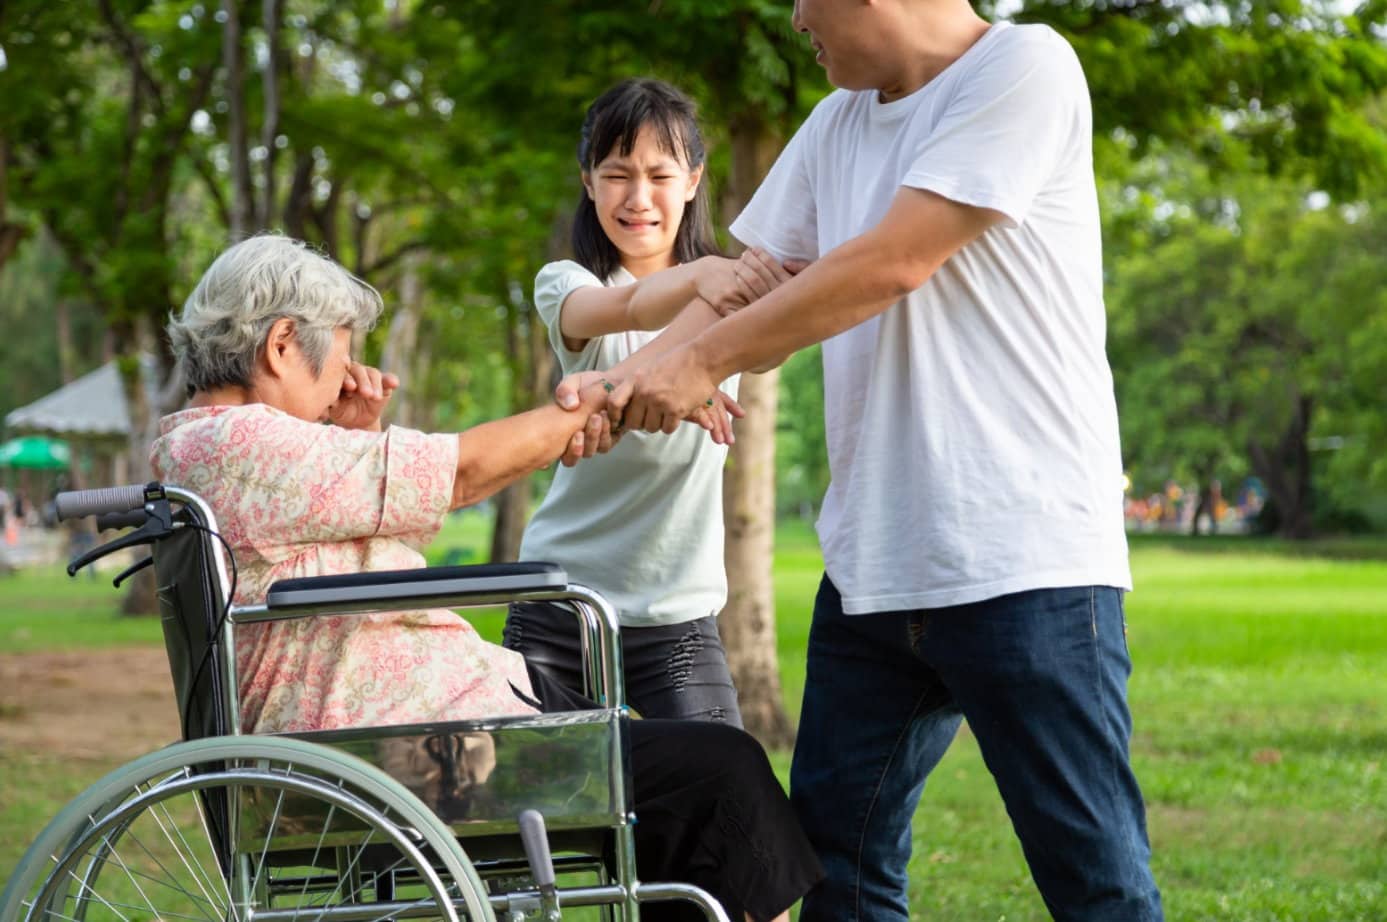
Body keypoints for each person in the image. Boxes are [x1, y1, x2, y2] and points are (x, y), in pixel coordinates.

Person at [600, 1, 1163, 920]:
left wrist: (699, 364)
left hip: (1024, 565)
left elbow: (889, 263)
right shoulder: (836, 122)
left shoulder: (1023, 68)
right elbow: (754, 288)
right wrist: (620, 386)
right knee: (836, 872)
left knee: (1091, 875)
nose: (792, 19)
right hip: (874, 568)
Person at [150, 235, 822, 922]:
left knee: (684, 793)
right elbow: (462, 471)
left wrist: (353, 437)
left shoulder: (207, 445)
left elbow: (397, 519)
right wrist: (599, 401)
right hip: (403, 750)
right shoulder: (241, 443)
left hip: (411, 724)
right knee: (721, 776)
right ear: (283, 345)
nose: (341, 388)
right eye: (340, 363)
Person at [507, 78, 795, 727]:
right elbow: (627, 306)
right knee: (536, 814)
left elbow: (774, 346)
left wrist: (721, 320)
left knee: (720, 794)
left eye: (659, 175)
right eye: (616, 175)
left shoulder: (733, 294)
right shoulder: (568, 284)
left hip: (678, 614)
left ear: (693, 179)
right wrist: (702, 285)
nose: (638, 198)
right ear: (588, 182)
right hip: (560, 605)